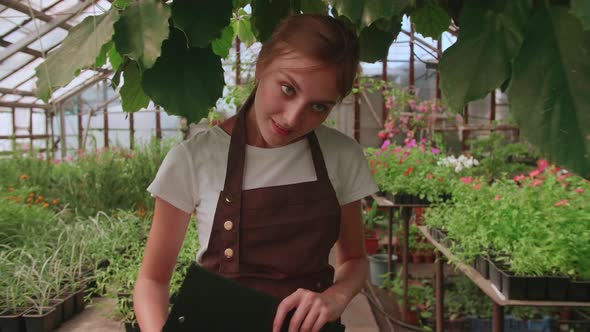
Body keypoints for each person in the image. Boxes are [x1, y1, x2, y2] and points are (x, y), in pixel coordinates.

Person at [133, 13, 379, 332]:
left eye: (319, 106)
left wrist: (336, 296)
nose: (292, 118)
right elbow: (152, 281)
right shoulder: (194, 159)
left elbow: (355, 261)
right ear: (263, 63)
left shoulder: (342, 156)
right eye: (288, 88)